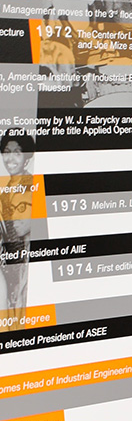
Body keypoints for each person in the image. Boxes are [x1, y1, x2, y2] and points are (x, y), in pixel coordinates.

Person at [0, 130, 34, 322]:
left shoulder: (34, 186)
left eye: (17, 152)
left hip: (29, 262)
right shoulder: (4, 193)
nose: (10, 158)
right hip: (10, 263)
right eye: (6, 151)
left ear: (27, 158)